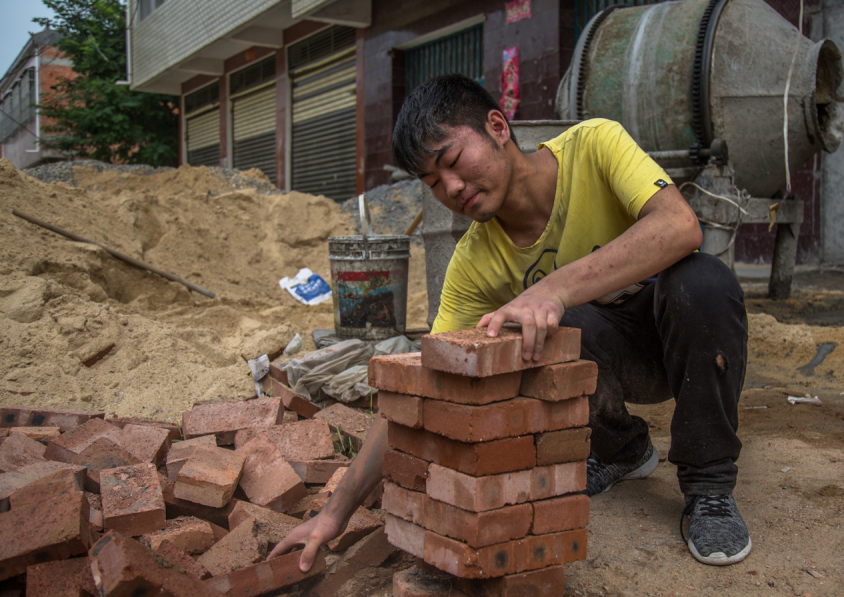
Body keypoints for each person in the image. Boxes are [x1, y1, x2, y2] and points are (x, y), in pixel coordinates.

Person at [270, 74, 750, 571]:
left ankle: (709, 484)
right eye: (432, 183)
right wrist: (334, 513)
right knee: (529, 333)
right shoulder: (473, 261)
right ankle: (621, 448)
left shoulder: (594, 145)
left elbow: (679, 226)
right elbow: (424, 384)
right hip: (609, 361)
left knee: (704, 282)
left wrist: (553, 289)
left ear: (497, 126)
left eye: (452, 161)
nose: (451, 188)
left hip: (683, 342)